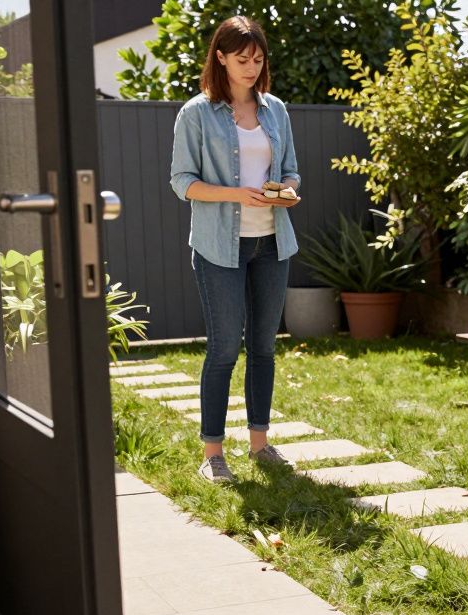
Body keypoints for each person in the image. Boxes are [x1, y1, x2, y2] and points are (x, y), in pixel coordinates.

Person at [170, 16, 301, 482]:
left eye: (258, 59)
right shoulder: (196, 113)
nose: (251, 67)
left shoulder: (276, 110)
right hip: (218, 247)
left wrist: (285, 190)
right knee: (225, 348)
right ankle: (212, 454)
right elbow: (181, 182)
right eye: (242, 59)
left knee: (263, 346)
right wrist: (235, 194)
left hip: (271, 241)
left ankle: (260, 444)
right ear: (220, 57)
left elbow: (291, 169)